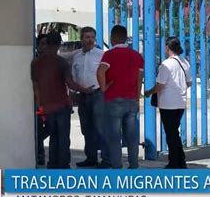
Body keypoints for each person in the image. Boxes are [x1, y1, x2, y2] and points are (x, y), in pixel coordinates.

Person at [31, 31, 94, 169]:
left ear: (46, 44)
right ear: (59, 43)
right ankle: (63, 164)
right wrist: (86, 90)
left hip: (46, 106)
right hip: (61, 105)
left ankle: (52, 163)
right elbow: (70, 83)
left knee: (53, 137)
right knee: (63, 138)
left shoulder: (35, 63)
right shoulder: (61, 62)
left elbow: (35, 87)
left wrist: (39, 104)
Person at [97, 25, 144, 169]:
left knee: (114, 137)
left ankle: (117, 166)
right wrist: (137, 96)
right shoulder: (136, 55)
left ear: (113, 38)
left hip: (114, 100)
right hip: (131, 100)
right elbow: (139, 77)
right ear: (125, 38)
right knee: (131, 135)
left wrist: (104, 87)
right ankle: (134, 164)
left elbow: (100, 72)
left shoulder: (109, 54)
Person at [144, 37, 191, 169]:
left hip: (167, 103)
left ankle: (175, 162)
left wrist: (148, 92)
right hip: (180, 102)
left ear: (167, 48)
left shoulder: (166, 65)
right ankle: (180, 161)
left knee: (171, 134)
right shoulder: (184, 62)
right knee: (174, 132)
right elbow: (189, 82)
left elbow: (160, 86)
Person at [71, 27, 106, 168]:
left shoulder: (101, 55)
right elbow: (73, 75)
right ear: (81, 39)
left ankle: (106, 159)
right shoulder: (77, 57)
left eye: (92, 37)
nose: (90, 40)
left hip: (98, 94)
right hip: (83, 96)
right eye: (87, 37)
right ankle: (91, 157)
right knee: (86, 128)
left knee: (100, 128)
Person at [33, 34, 49, 166]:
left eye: (47, 44)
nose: (45, 47)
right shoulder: (34, 61)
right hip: (38, 101)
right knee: (38, 129)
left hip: (52, 100)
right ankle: (39, 155)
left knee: (50, 128)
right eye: (42, 43)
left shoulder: (56, 60)